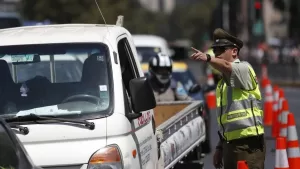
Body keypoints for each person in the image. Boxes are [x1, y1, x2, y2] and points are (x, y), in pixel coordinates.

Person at [190, 28, 265, 169]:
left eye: (220, 50)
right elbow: (227, 121)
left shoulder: (244, 69)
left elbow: (226, 66)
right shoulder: (222, 84)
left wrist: (207, 57)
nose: (216, 54)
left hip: (248, 145)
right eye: (215, 50)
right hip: (230, 145)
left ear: (234, 52)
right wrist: (220, 147)